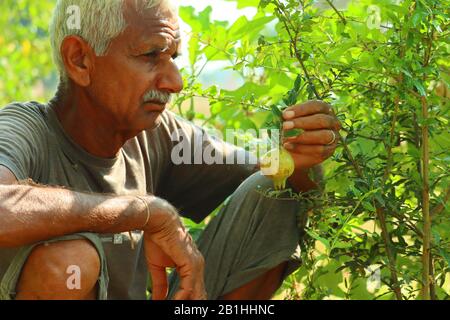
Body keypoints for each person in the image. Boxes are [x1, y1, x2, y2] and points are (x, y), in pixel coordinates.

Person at [0, 0, 340, 300]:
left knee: (273, 192)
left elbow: (283, 180)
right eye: (151, 55)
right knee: (70, 264)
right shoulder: (23, 129)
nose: (174, 82)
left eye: (173, 57)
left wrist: (299, 156)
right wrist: (146, 212)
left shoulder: (160, 134)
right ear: (80, 60)